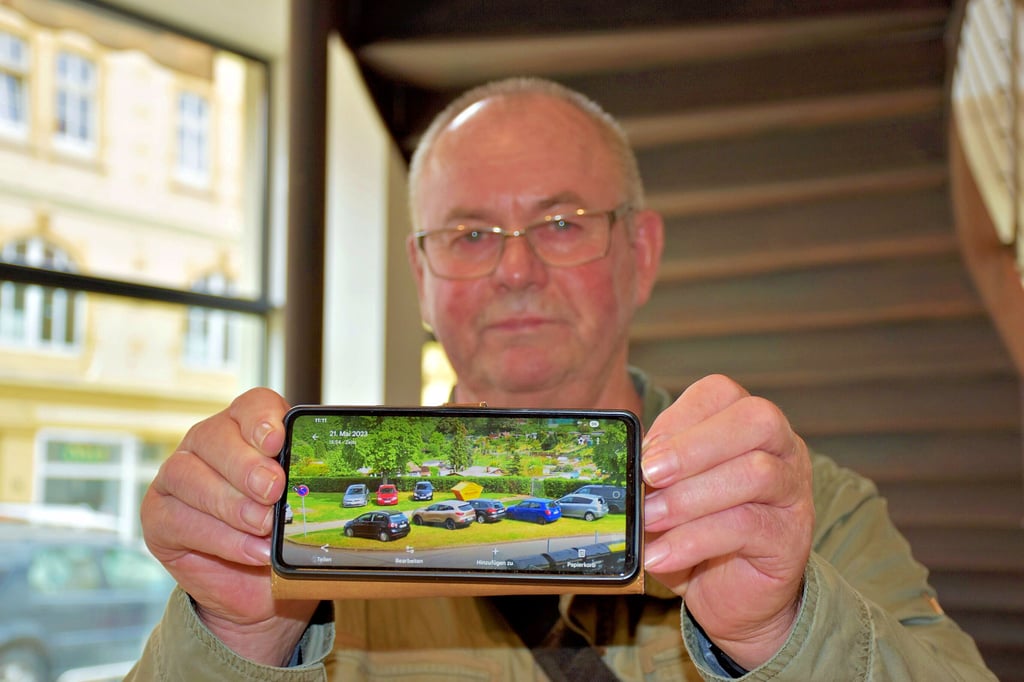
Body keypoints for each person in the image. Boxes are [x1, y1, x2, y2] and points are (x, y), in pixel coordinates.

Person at [127, 77, 996, 680]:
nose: (515, 271)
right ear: (421, 280)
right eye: (469, 234)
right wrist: (239, 639)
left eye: (563, 222)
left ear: (642, 253)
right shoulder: (313, 538)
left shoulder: (796, 514)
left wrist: (780, 633)